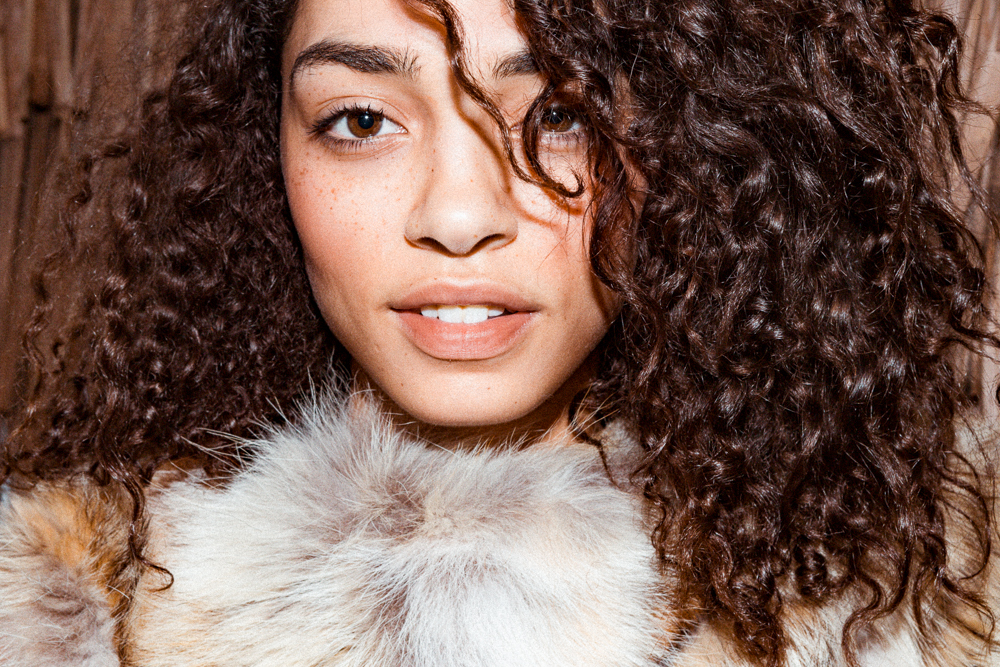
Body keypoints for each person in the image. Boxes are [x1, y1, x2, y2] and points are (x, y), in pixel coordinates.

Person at [0, 0, 996, 664]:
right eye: (360, 121)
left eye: (559, 113)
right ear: (267, 160)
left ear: (691, 148)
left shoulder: (907, 605)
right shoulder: (56, 607)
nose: (459, 214)